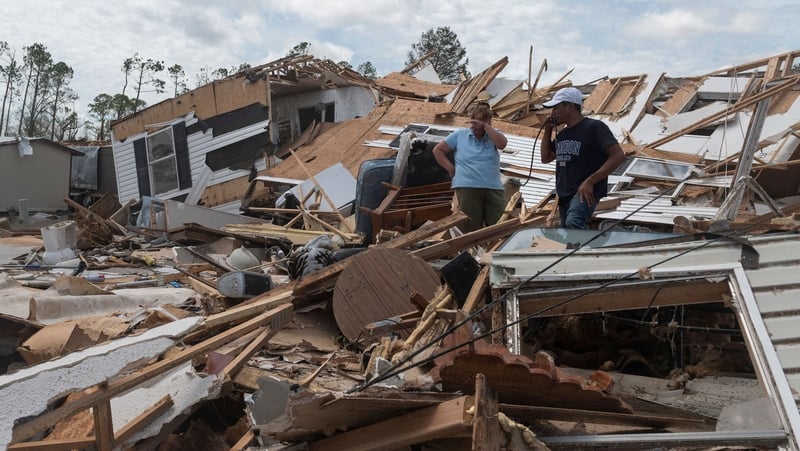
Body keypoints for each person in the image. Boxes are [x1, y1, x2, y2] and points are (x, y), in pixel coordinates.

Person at [540, 87, 625, 229]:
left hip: (584, 191)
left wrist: (591, 181)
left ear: (571, 106)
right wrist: (548, 129)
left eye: (557, 107)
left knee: (574, 223)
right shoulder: (563, 134)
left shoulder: (593, 127)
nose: (553, 112)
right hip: (565, 192)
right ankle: (580, 250)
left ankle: (592, 249)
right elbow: (546, 157)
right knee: (568, 231)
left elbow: (618, 156)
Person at [433, 102, 509, 232]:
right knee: (470, 226)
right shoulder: (460, 135)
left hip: (492, 187)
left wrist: (486, 127)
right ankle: (471, 252)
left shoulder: (493, 135)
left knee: (499, 225)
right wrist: (450, 169)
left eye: (481, 125)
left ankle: (493, 250)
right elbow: (437, 150)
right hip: (468, 186)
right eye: (475, 124)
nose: (477, 129)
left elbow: (502, 144)